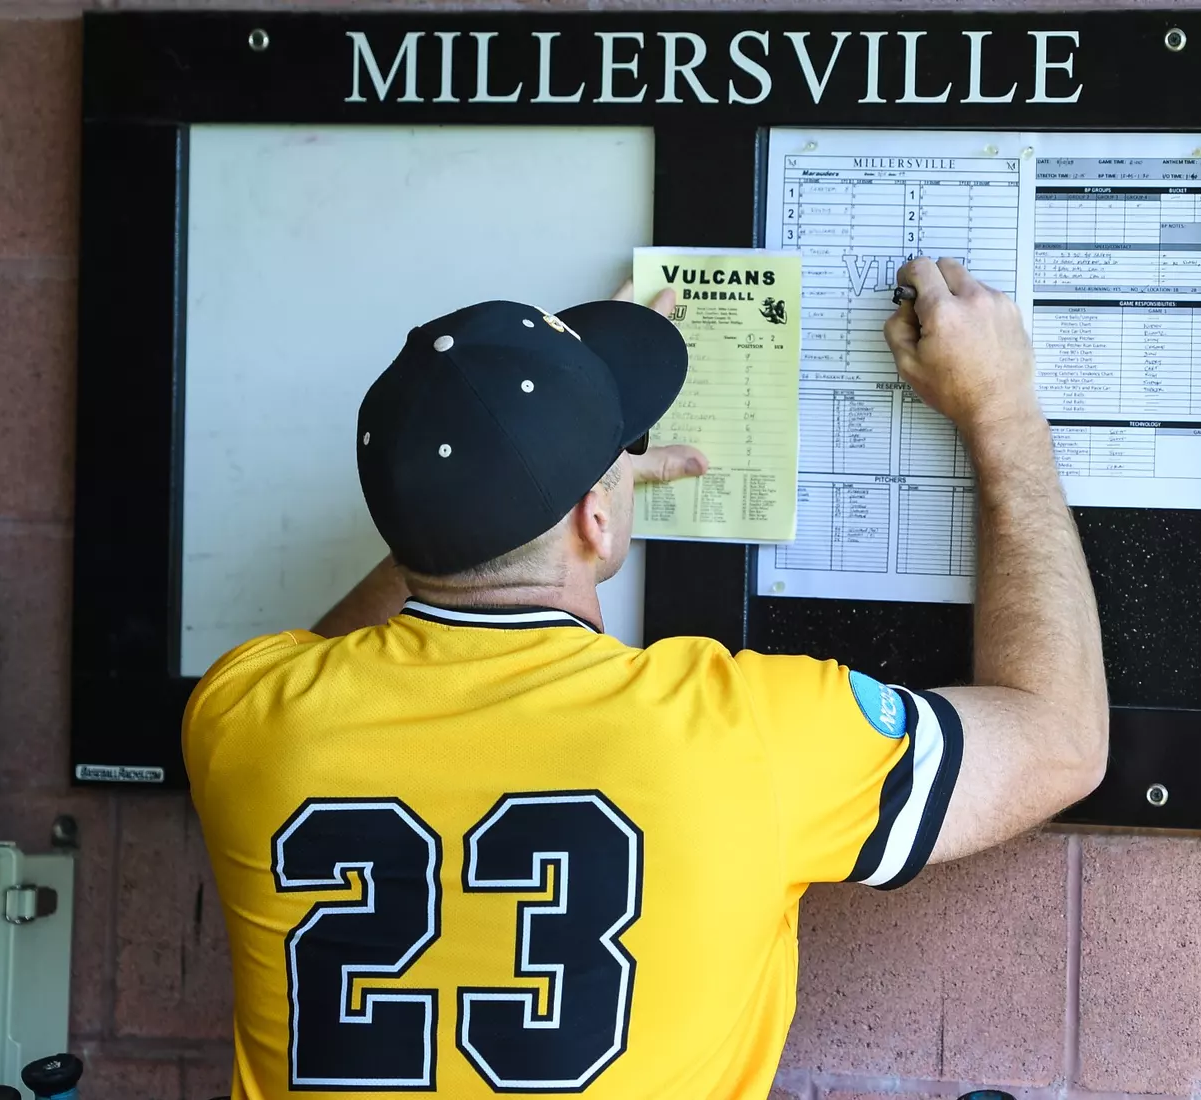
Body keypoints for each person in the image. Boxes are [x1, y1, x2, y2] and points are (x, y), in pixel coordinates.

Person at [182, 259, 1107, 1099]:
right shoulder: (748, 734)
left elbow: (339, 652)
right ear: (595, 519)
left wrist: (514, 492)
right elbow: (1058, 736)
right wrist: (1002, 412)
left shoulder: (244, 719)